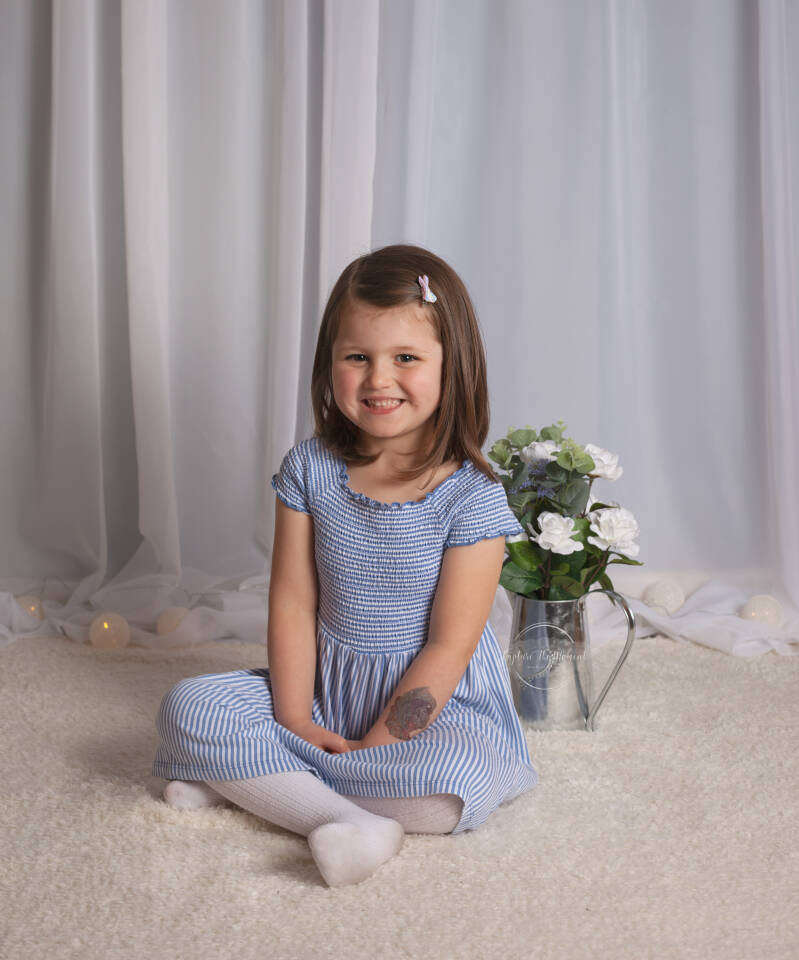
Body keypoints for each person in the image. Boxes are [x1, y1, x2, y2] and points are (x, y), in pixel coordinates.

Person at [152, 243, 539, 887]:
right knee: (188, 706)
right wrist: (295, 719)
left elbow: (449, 646)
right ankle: (345, 818)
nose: (379, 379)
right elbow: (293, 602)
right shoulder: (310, 469)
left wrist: (381, 742)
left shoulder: (472, 498)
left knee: (454, 787)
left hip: (429, 707)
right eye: (357, 357)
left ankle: (260, 783)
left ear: (453, 366)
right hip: (321, 690)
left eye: (406, 358)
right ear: (329, 362)